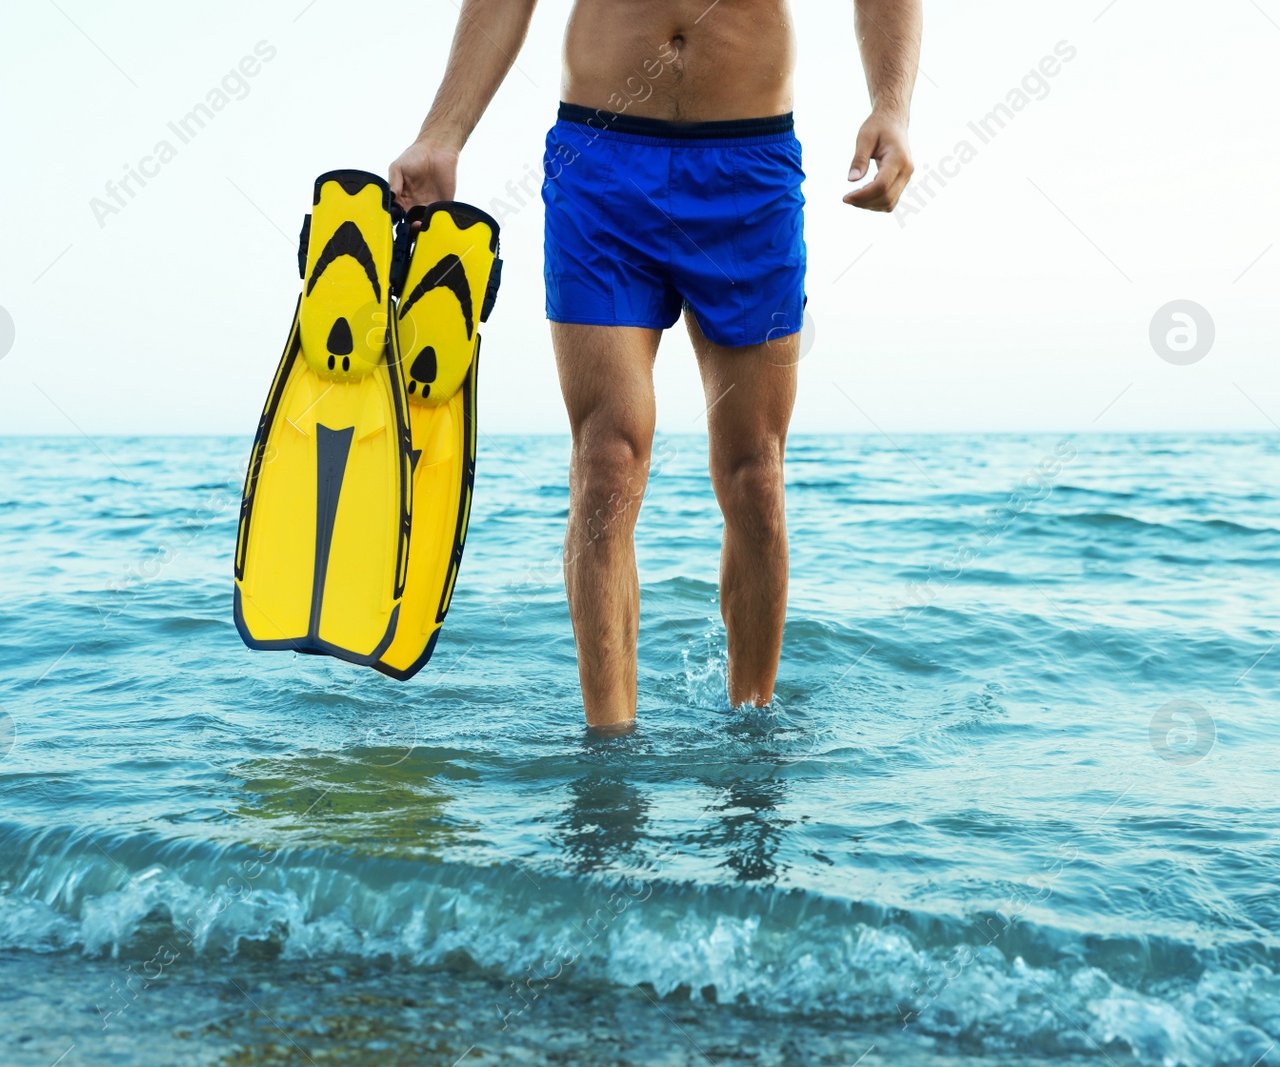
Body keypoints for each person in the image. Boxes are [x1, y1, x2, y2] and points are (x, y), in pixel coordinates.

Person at [390, 0, 922, 732]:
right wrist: (443, 132)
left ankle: (751, 744)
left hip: (748, 166)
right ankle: (609, 759)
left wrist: (891, 107)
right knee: (607, 457)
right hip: (601, 160)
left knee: (755, 472)